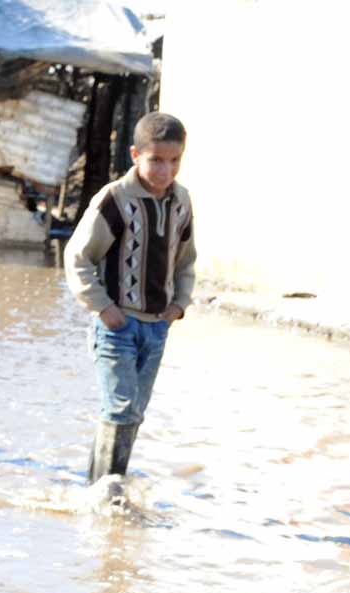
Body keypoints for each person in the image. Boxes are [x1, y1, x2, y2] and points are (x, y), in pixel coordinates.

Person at [64, 111, 197, 485]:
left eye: (174, 161)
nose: (164, 170)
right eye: (156, 160)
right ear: (135, 154)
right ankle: (107, 492)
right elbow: (78, 258)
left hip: (157, 329)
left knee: (133, 411)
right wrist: (104, 308)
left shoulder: (182, 202)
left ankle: (99, 487)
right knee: (120, 409)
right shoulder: (115, 199)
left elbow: (186, 261)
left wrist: (179, 305)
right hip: (118, 324)